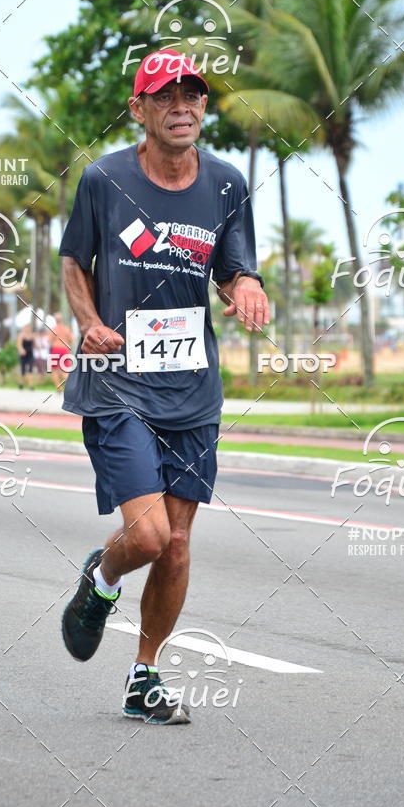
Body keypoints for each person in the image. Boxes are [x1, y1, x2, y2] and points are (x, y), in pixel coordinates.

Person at [59, 49, 269, 724]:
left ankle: (143, 676)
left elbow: (236, 269)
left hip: (192, 391)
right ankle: (103, 577)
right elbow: (72, 262)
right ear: (139, 110)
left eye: (194, 96)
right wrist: (89, 322)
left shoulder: (229, 185)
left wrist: (248, 288)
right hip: (118, 382)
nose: (183, 107)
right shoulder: (104, 180)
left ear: (203, 107)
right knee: (147, 539)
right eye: (166, 97)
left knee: (177, 543)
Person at [49, 312, 73, 389]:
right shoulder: (66, 329)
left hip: (55, 349)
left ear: (55, 320)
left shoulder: (53, 329)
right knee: (65, 370)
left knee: (54, 370)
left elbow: (49, 340)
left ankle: (59, 388)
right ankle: (69, 387)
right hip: (64, 349)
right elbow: (72, 339)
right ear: (61, 320)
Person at [16, 324, 35, 389]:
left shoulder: (32, 335)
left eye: (29, 328)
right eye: (26, 328)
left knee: (30, 369)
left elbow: (34, 344)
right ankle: (21, 383)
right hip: (23, 354)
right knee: (23, 369)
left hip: (30, 353)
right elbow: (18, 344)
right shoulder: (21, 335)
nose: (27, 329)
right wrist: (21, 350)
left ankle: (31, 385)